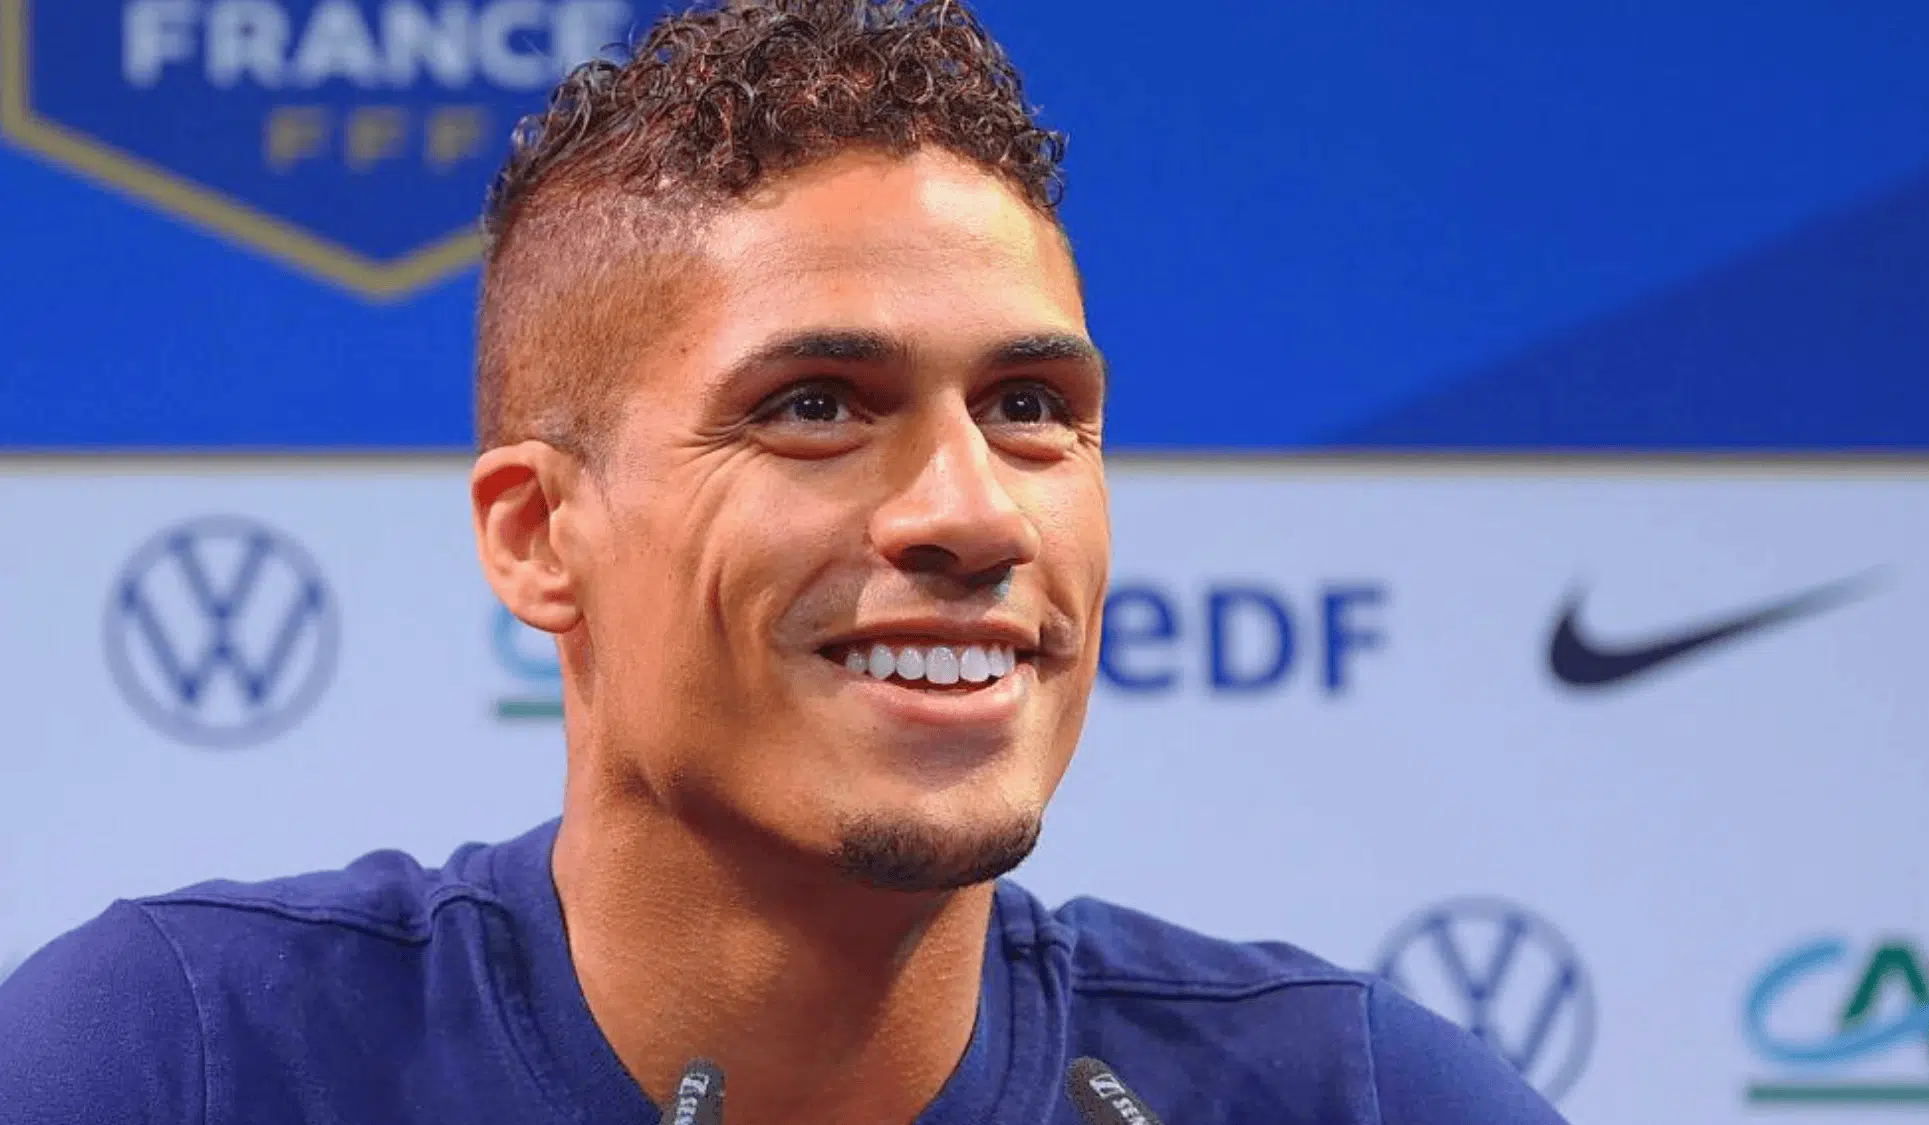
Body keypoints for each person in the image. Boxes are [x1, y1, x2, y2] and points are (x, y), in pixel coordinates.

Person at [0, 2, 1566, 1122]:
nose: (973, 513)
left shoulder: (1366, 1096)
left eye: (1033, 409)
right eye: (817, 408)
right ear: (541, 537)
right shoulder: (172, 1060)